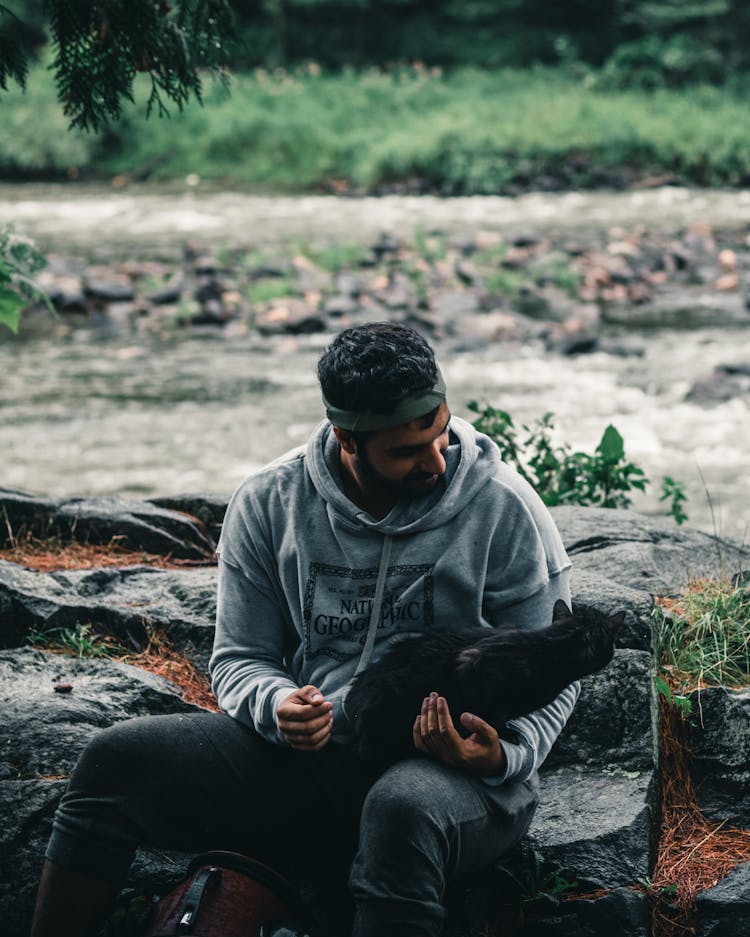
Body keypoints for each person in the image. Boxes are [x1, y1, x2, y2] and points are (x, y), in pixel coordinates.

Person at [30, 322, 577, 937]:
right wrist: (277, 705)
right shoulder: (270, 500)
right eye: (404, 451)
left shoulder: (505, 508)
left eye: (441, 430)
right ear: (347, 437)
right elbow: (240, 656)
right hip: (313, 763)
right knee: (115, 759)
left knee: (401, 808)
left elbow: (557, 668)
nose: (435, 459)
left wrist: (499, 754)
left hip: (454, 778)